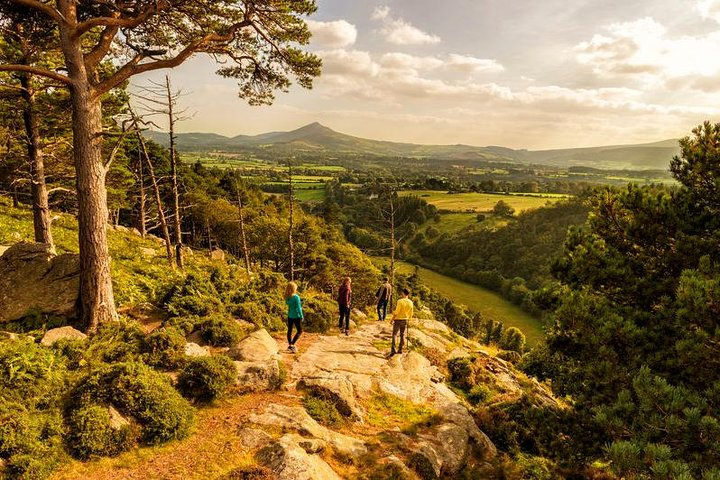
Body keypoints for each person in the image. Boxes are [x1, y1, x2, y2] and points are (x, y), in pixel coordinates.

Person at [387, 287, 413, 357]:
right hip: (405, 320)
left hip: (398, 320)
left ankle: (393, 351)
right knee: (402, 335)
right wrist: (408, 320)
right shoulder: (411, 302)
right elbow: (411, 313)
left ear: (403, 293)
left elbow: (397, 312)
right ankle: (400, 350)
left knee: (394, 335)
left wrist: (392, 315)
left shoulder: (400, 301)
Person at [284, 281, 303, 353]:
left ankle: (290, 345)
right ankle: (292, 344)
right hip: (297, 316)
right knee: (300, 330)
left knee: (289, 330)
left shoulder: (287, 297)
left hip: (290, 315)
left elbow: (289, 306)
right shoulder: (296, 297)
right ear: (293, 288)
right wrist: (301, 316)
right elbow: (299, 307)